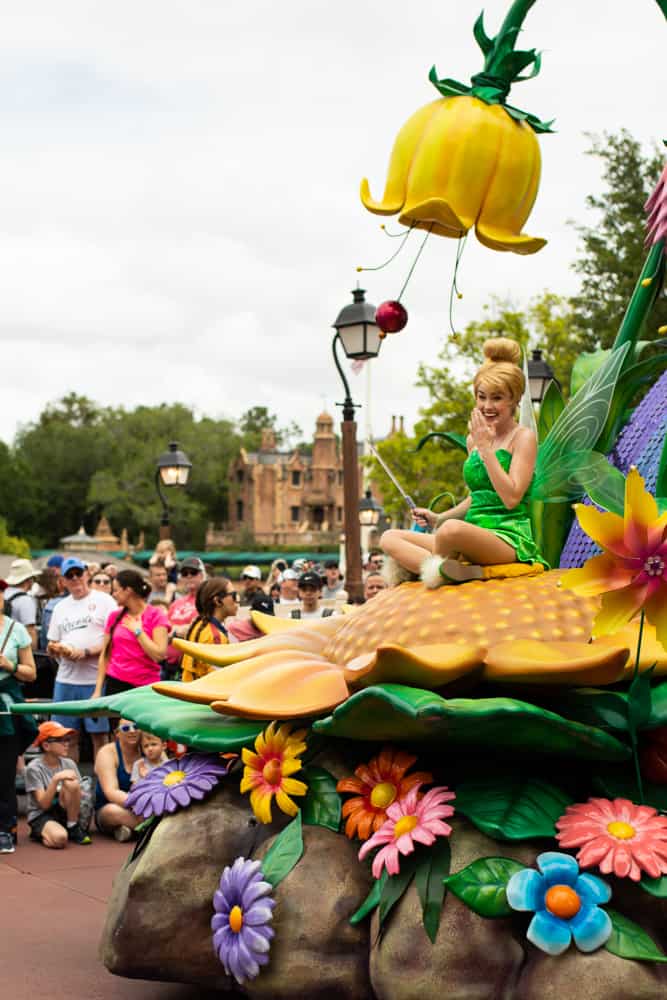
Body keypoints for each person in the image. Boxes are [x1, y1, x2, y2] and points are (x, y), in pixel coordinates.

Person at [381, 338, 547, 587]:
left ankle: (445, 568)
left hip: (506, 538)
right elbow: (478, 496)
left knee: (451, 532)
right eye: (482, 397)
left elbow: (511, 497)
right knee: (389, 538)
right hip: (469, 533)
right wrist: (439, 518)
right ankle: (453, 570)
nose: (487, 406)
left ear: (514, 400)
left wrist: (486, 450)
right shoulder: (474, 440)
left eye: (497, 398)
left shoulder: (523, 438)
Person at [47, 557, 118, 760]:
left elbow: (114, 639)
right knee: (66, 737)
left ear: (87, 574)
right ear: (63, 581)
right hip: (66, 679)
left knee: (100, 736)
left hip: (94, 680)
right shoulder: (60, 607)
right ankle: (72, 786)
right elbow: (51, 643)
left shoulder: (105, 601)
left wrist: (85, 652)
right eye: (70, 575)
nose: (75, 578)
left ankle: (102, 786)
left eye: (78, 573)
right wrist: (59, 649)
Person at [0, 581, 37, 854]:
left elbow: (31, 673)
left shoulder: (17, 629)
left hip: (6, 708)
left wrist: (9, 665)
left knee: (4, 772)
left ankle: (6, 829)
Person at [92, 570, 169, 698]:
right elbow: (105, 655)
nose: (113, 594)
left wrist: (138, 632)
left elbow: (159, 655)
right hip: (116, 685)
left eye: (116, 590)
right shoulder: (114, 616)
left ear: (128, 590)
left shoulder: (156, 615)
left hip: (145, 687)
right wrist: (97, 690)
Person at [24, 721, 91, 847]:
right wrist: (55, 779)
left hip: (66, 811)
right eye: (61, 740)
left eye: (67, 739)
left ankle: (73, 826)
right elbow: (44, 805)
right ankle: (40, 832)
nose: (66, 744)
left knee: (72, 784)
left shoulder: (69, 763)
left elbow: (79, 792)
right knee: (60, 839)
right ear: (46, 746)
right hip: (41, 814)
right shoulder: (33, 768)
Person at [180, 578, 239, 682]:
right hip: (201, 695)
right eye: (233, 595)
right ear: (217, 601)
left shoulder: (198, 625)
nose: (237, 600)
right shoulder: (215, 636)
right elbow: (218, 680)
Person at [94, 718, 142, 840]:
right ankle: (150, 829)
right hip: (110, 807)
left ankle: (129, 830)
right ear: (117, 733)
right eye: (126, 728)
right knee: (113, 811)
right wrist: (140, 803)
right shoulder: (107, 752)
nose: (132, 731)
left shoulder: (149, 747)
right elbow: (111, 792)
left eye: (136, 727)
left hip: (144, 806)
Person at [165, 557, 206, 673]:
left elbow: (197, 629)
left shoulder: (206, 601)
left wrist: (174, 630)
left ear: (202, 575)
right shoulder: (176, 603)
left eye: (193, 573)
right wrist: (177, 630)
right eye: (184, 573)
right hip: (168, 665)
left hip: (192, 665)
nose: (188, 576)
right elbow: (164, 629)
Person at [3, 558, 39, 648]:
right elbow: (30, 631)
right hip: (17, 650)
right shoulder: (25, 600)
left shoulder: (3, 594)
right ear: (28, 580)